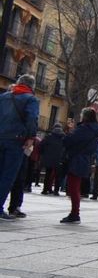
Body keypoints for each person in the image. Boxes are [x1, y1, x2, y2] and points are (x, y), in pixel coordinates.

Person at [0, 75, 39, 222]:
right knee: (8, 176)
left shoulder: (3, 97)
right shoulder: (30, 99)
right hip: (16, 140)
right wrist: (31, 137)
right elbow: (31, 119)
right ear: (32, 86)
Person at [60, 108, 98, 224]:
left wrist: (70, 130)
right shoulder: (96, 130)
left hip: (76, 159)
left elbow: (68, 141)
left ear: (85, 117)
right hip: (85, 159)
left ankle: (75, 214)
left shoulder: (84, 129)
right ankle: (74, 213)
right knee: (75, 186)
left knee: (73, 188)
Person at [39, 123, 65, 195]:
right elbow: (66, 148)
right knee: (57, 176)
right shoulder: (63, 137)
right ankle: (56, 191)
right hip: (59, 159)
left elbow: (41, 146)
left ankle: (45, 190)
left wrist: (43, 154)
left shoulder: (48, 137)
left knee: (48, 174)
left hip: (48, 158)